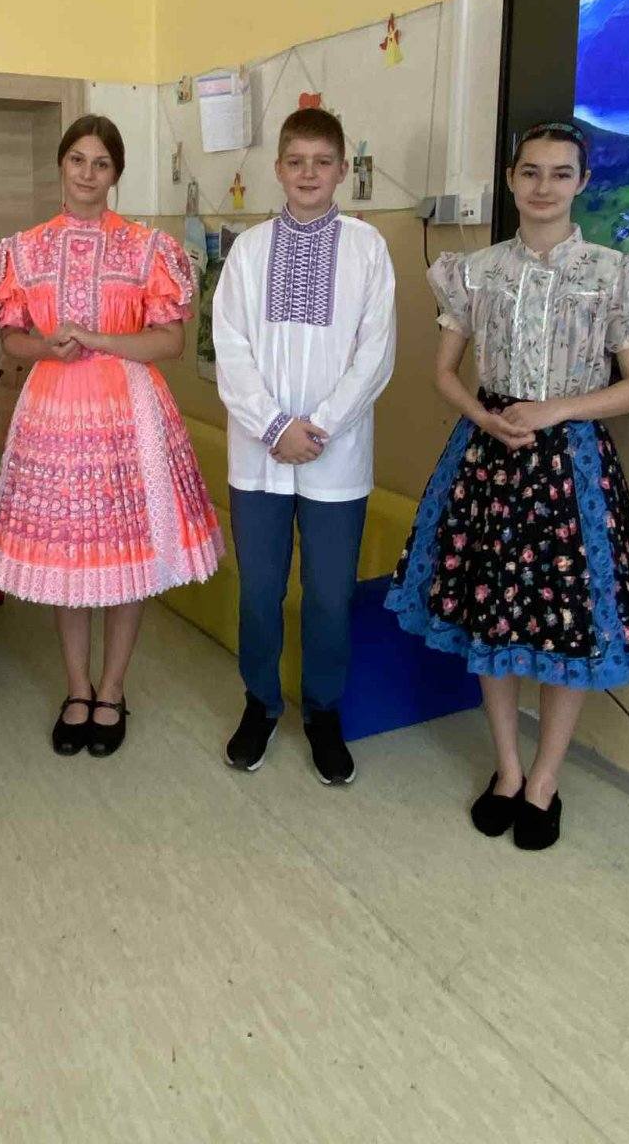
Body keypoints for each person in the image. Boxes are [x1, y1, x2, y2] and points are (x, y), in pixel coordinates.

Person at [385, 120, 629, 850]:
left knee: (568, 623)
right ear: (511, 179)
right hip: (490, 458)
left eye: (561, 173)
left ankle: (545, 780)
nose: (544, 186)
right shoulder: (477, 271)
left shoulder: (612, 272)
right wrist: (484, 414)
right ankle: (507, 769)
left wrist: (557, 409)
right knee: (493, 614)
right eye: (531, 172)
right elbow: (444, 371)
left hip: (573, 467)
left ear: (582, 183)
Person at [0, 115, 223, 757]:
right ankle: (77, 687)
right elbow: (12, 339)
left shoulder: (147, 247)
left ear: (116, 174)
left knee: (127, 555)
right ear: (61, 165)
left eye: (101, 163)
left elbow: (169, 342)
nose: (88, 174)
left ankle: (112, 689)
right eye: (77, 160)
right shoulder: (23, 249)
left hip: (129, 411)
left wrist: (99, 338)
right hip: (53, 413)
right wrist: (47, 348)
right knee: (69, 556)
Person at [212, 108, 396, 784]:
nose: (309, 173)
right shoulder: (249, 250)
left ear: (343, 169)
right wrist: (273, 427)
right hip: (258, 457)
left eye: (322, 162)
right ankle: (261, 703)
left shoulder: (368, 249)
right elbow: (229, 347)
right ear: (279, 168)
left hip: (334, 458)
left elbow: (376, 353)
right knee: (259, 592)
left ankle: (323, 711)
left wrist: (319, 426)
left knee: (327, 597)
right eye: (296, 162)